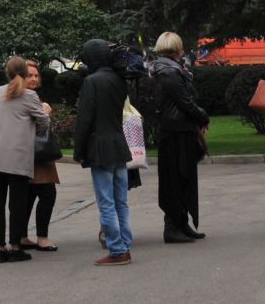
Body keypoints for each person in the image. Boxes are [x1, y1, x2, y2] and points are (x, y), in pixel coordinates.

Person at [0, 54, 51, 263]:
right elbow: (43, 123)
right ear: (23, 73)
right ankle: (14, 246)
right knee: (17, 203)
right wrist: (46, 112)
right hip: (17, 156)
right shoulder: (29, 95)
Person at [76, 39, 133, 265]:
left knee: (106, 202)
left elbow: (85, 119)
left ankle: (117, 249)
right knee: (121, 201)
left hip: (100, 148)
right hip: (119, 145)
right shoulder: (119, 79)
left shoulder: (91, 81)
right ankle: (125, 244)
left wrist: (79, 149)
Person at [147, 32, 207, 243]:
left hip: (173, 129)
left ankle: (180, 224)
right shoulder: (170, 71)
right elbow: (185, 102)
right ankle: (174, 226)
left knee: (177, 179)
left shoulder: (164, 69)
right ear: (177, 48)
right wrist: (203, 117)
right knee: (178, 179)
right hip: (177, 131)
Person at [24, 62, 62, 252]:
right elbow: (35, 126)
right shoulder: (26, 98)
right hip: (35, 156)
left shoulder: (30, 96)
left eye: (36, 75)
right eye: (29, 75)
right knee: (47, 194)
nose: (34, 79)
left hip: (38, 155)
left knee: (29, 196)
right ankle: (41, 237)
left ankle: (23, 236)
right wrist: (45, 113)